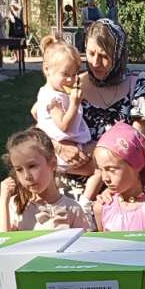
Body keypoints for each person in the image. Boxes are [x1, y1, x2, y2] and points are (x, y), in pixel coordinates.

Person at [0, 128, 92, 233]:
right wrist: (3, 199)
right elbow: (1, 240)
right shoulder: (16, 206)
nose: (27, 176)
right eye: (19, 169)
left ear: (53, 163)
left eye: (32, 166)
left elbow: (83, 242)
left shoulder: (72, 209)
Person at [33, 37, 93, 183]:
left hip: (59, 149)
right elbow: (64, 126)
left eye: (74, 74)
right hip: (65, 153)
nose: (71, 80)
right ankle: (88, 196)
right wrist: (74, 104)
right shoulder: (54, 99)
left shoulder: (46, 92)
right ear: (46, 69)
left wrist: (45, 123)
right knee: (99, 165)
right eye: (65, 74)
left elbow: (34, 112)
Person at [93, 123, 145, 233]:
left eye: (111, 169)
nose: (105, 178)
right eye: (101, 169)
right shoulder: (102, 208)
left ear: (136, 165)